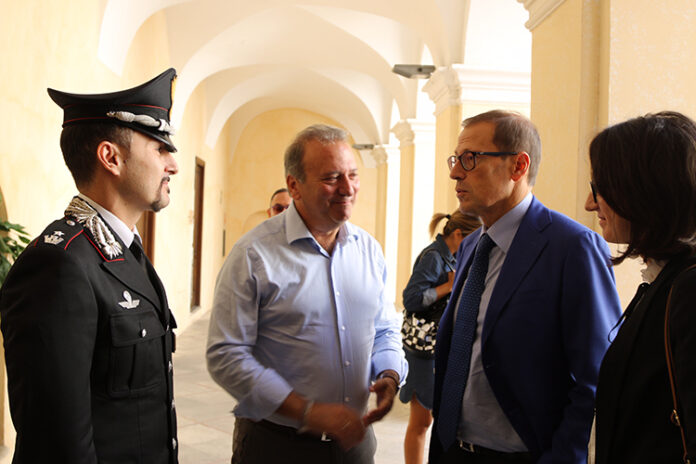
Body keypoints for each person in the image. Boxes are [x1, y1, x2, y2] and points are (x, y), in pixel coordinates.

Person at [0, 69, 180, 463]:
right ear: (111, 157)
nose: (173, 165)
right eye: (160, 149)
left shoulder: (125, 249)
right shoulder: (58, 265)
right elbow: (57, 445)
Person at [429, 110, 623, 464]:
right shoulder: (471, 246)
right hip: (454, 450)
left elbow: (597, 376)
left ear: (518, 166)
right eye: (455, 160)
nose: (455, 172)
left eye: (470, 159)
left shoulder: (572, 247)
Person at [206, 124, 407, 464]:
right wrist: (306, 411)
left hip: (355, 446)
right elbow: (226, 354)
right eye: (331, 178)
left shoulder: (368, 250)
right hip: (277, 446)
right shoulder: (254, 255)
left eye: (353, 175)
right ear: (294, 186)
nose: (347, 188)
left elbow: (385, 328)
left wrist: (389, 374)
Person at [586, 111, 696, 463]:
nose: (590, 203)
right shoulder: (664, 280)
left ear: (641, 190)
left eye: (599, 188)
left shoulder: (689, 289)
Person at [400, 211, 481, 464]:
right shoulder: (434, 257)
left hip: (435, 348)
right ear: (457, 234)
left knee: (429, 420)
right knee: (421, 422)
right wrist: (448, 286)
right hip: (423, 351)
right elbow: (411, 298)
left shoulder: (450, 257)